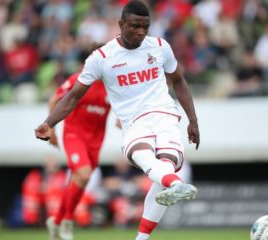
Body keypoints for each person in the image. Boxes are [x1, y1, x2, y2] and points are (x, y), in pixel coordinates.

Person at [35, 1, 200, 240]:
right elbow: (71, 97)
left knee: (170, 164)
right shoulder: (101, 58)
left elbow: (179, 81)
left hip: (165, 114)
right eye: (135, 26)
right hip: (133, 123)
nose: (141, 32)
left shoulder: (160, 46)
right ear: (121, 24)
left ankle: (144, 233)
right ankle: (175, 184)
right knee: (143, 157)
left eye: (145, 27)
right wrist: (49, 123)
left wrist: (192, 120)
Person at [44, 48, 111, 240]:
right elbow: (55, 99)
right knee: (84, 173)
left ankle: (56, 221)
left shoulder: (111, 85)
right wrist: (52, 128)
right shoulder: (78, 80)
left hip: (96, 140)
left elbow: (122, 106)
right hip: (74, 135)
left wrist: (122, 121)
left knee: (80, 180)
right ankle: (67, 221)